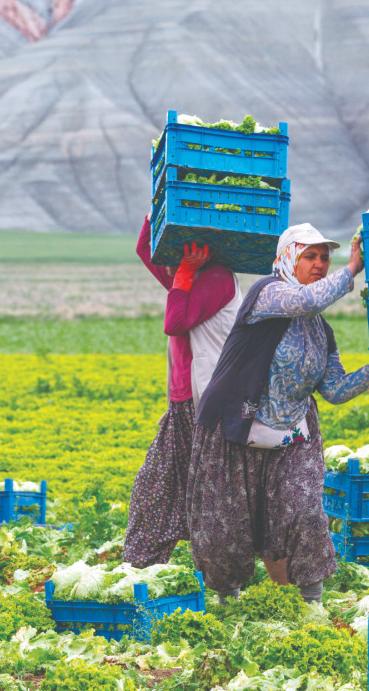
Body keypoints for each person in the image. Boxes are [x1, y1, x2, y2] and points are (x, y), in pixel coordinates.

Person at [188, 223, 369, 602]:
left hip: (291, 435)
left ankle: (311, 602)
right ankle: (226, 602)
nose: (319, 264)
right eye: (310, 256)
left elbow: (334, 389)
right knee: (227, 528)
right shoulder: (266, 294)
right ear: (287, 259)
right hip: (236, 428)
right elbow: (307, 300)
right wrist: (351, 271)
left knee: (305, 512)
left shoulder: (321, 331)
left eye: (324, 258)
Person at [124, 216, 241, 566]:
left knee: (201, 490)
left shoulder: (217, 277)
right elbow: (145, 250)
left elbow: (174, 322)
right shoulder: (188, 276)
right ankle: (142, 566)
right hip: (182, 403)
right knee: (159, 486)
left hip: (204, 404)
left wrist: (186, 273)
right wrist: (154, 208)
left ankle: (222, 573)